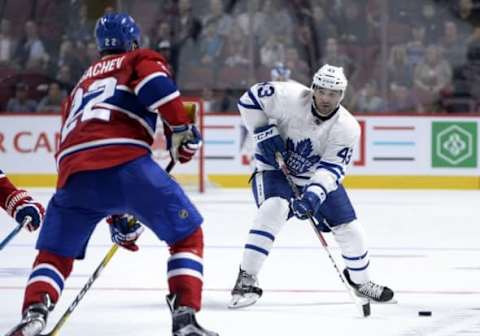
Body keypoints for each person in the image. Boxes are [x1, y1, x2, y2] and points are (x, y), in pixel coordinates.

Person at [6, 13, 217, 336]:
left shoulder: (80, 84)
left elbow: (83, 150)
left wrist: (116, 215)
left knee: (55, 255)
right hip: (127, 164)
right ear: (133, 40)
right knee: (187, 236)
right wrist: (181, 129)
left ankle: (34, 313)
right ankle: (185, 318)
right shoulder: (137, 59)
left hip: (73, 177)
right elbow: (158, 86)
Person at [229, 64, 395, 309]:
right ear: (313, 88)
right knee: (273, 209)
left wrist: (312, 198)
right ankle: (246, 278)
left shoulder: (347, 127)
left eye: (334, 93)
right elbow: (248, 99)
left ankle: (361, 282)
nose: (327, 98)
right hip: (273, 169)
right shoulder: (288, 96)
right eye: (323, 91)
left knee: (351, 229)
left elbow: (331, 169)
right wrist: (262, 131)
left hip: (314, 177)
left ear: (342, 95)